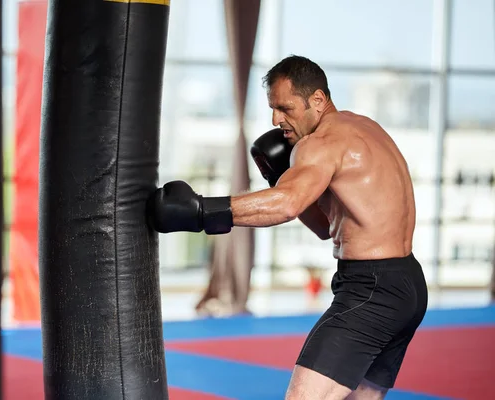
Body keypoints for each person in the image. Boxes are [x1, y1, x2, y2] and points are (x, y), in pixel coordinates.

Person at [147, 55, 428, 400]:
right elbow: (326, 227)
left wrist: (202, 211)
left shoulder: (321, 144)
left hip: (371, 289)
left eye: (285, 107)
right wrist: (280, 176)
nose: (276, 119)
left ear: (318, 100)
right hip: (408, 284)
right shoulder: (365, 128)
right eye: (272, 108)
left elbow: (286, 204)